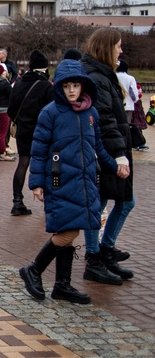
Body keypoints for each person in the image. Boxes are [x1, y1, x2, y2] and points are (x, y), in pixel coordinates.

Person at [20, 59, 125, 305]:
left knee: (69, 229)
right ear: (59, 87)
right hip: (59, 179)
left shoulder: (91, 113)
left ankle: (62, 285)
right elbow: (38, 149)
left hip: (85, 181)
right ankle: (34, 269)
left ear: (83, 87)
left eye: (75, 86)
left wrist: (115, 165)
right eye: (66, 86)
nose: (71, 90)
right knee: (69, 231)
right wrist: (36, 183)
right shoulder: (51, 112)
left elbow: (97, 146)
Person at [81, 28, 135, 285]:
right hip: (106, 151)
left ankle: (105, 250)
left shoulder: (104, 75)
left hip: (114, 146)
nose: (121, 51)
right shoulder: (97, 77)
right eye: (118, 46)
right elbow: (104, 118)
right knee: (99, 205)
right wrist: (118, 155)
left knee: (124, 201)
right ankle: (95, 258)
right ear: (107, 47)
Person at [7, 50, 54, 216]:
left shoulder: (19, 83)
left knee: (23, 163)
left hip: (23, 130)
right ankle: (50, 202)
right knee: (48, 165)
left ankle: (17, 201)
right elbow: (51, 111)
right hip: (41, 132)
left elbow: (11, 109)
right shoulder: (46, 86)